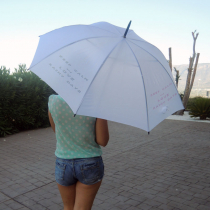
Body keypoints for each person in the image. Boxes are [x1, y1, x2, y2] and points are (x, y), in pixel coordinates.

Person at [48, 94, 109, 210]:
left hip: (63, 163)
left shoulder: (53, 100)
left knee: (68, 207)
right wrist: (102, 113)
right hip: (90, 163)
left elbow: (56, 131)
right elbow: (103, 141)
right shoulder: (95, 102)